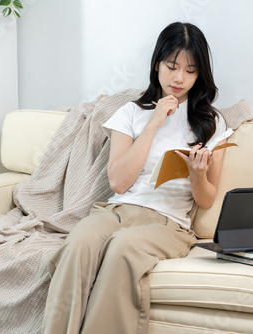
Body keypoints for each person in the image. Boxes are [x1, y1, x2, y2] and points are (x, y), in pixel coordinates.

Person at [42, 22, 233, 334]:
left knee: (123, 247)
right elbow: (118, 182)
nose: (179, 78)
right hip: (117, 211)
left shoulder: (212, 122)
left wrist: (198, 175)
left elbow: (207, 199)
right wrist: (153, 123)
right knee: (80, 243)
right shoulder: (131, 112)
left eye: (190, 70)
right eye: (172, 66)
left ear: (200, 75)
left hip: (168, 223)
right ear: (157, 63)